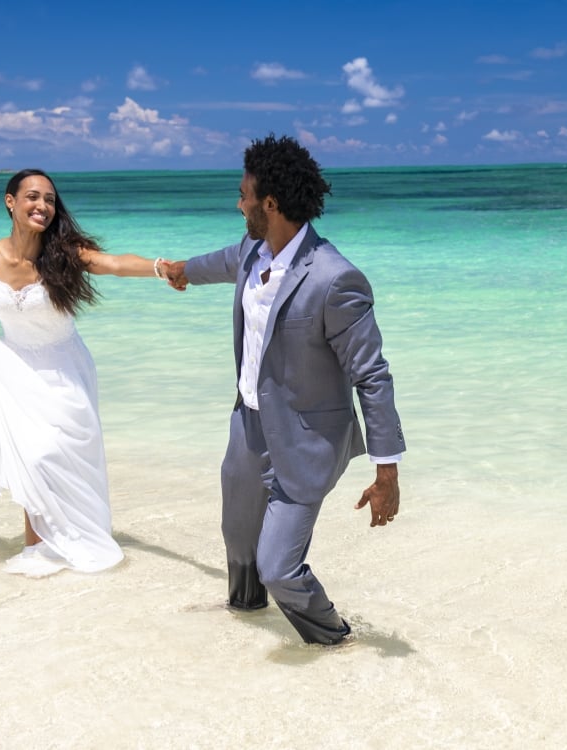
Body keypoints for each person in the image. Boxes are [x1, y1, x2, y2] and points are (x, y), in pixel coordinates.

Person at [161, 134, 406, 645]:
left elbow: (372, 376)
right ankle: (244, 623)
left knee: (278, 567)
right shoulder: (255, 248)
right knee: (238, 540)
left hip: (304, 440)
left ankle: (334, 639)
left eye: (244, 193)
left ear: (269, 203)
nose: (238, 202)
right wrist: (180, 271)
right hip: (247, 424)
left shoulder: (335, 279)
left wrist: (387, 473)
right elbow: (223, 261)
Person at [0, 168, 167, 577]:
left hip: (64, 369)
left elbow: (114, 263)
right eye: (32, 197)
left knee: (60, 457)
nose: (42, 206)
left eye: (49, 199)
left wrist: (160, 267)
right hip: (15, 368)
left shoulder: (66, 253)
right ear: (10, 201)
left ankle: (74, 535)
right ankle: (37, 547)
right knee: (31, 456)